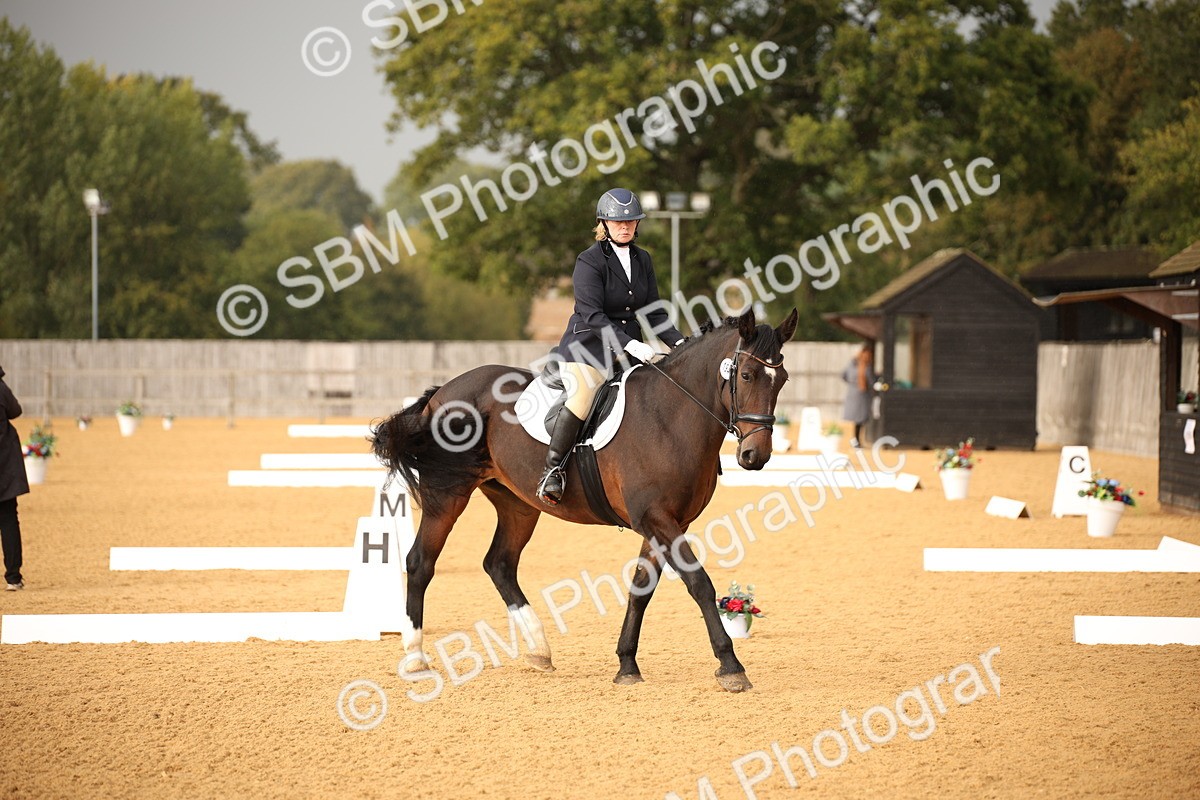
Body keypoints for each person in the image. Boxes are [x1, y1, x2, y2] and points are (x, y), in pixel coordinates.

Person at [536, 188, 686, 506]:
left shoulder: (642, 259)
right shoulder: (588, 261)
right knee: (583, 394)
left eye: (631, 221)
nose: (625, 227)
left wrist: (681, 343)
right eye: (618, 222)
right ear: (604, 223)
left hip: (629, 350)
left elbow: (654, 311)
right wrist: (633, 344)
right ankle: (553, 471)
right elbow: (592, 315)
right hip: (587, 346)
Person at [0, 366, 28, 591]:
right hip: (3, 465)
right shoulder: (0, 389)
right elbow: (15, 410)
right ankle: (13, 577)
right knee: (8, 519)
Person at [841, 342, 876, 449]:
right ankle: (856, 441)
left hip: (858, 394)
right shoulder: (863, 365)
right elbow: (870, 380)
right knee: (859, 419)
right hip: (860, 394)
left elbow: (844, 375)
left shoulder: (853, 363)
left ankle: (857, 441)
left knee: (860, 420)